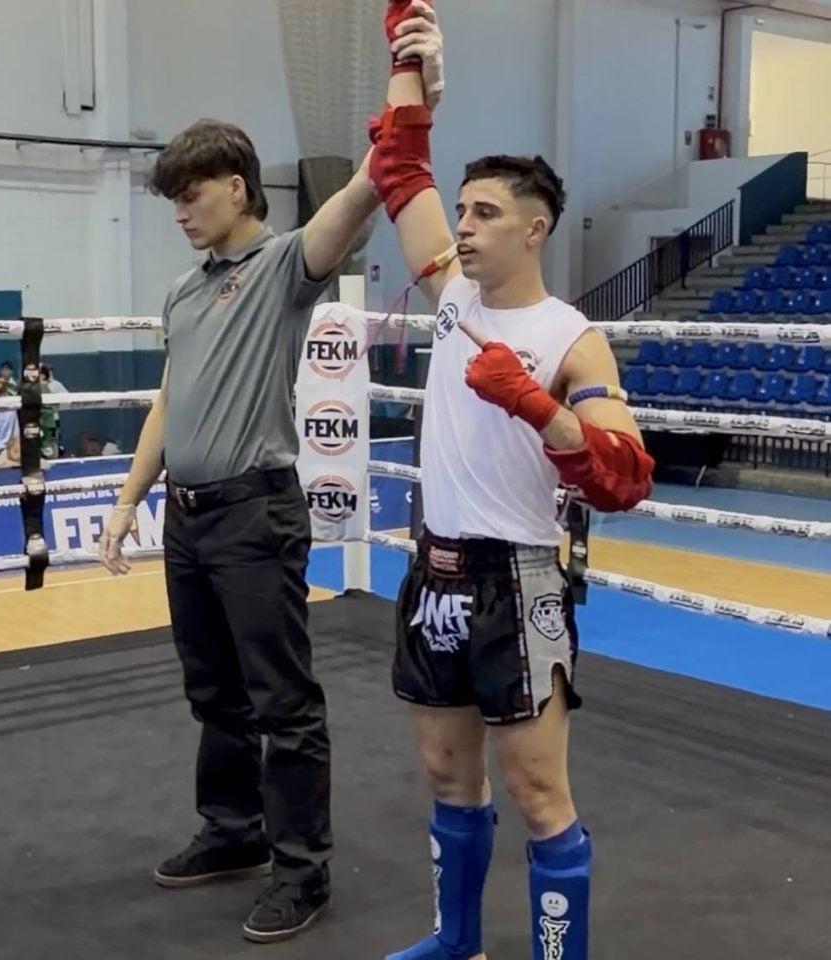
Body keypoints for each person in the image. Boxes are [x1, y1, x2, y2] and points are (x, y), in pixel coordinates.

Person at [369, 4, 654, 960]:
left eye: (485, 214)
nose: (463, 226)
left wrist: (537, 406)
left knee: (536, 794)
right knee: (448, 781)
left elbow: (624, 477)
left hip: (519, 581)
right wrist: (411, 60)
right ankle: (458, 942)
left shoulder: (572, 336)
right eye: (462, 211)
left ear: (534, 229)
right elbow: (398, 169)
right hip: (432, 573)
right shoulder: (450, 291)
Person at [98, 117, 380, 943]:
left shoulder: (283, 266)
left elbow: (361, 195)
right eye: (172, 202)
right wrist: (126, 500)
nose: (180, 214)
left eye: (190, 197)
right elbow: (168, 400)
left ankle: (303, 871)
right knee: (213, 694)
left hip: (255, 514)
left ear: (235, 186)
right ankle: (233, 834)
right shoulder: (185, 290)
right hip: (187, 518)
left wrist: (404, 115)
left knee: (281, 703)